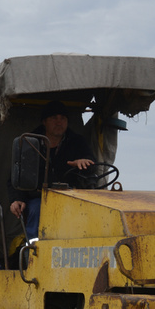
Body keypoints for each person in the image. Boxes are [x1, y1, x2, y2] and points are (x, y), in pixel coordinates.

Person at [8, 101, 97, 238]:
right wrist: (16, 199)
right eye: (54, 118)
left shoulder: (77, 142)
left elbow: (92, 167)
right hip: (39, 197)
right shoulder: (29, 143)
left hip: (71, 196)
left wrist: (84, 162)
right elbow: (16, 176)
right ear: (44, 122)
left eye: (63, 118)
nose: (59, 122)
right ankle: (34, 248)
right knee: (37, 210)